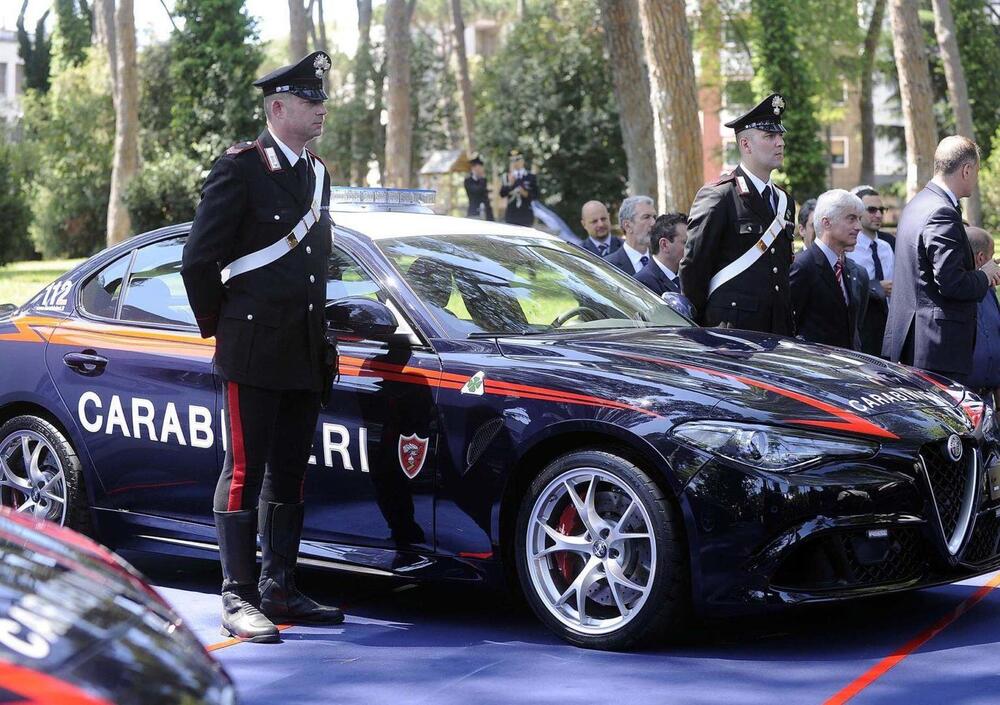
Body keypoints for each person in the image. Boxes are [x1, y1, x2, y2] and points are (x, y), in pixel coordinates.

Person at [181, 51, 344, 644]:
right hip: (251, 347)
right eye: (310, 101)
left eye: (321, 100)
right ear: (278, 107)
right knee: (244, 471)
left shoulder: (317, 173)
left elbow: (313, 266)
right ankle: (237, 596)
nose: (321, 109)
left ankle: (280, 586)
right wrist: (223, 327)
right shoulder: (241, 169)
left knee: (290, 474)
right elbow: (199, 258)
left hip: (302, 348)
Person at [883, 136, 1000, 382]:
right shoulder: (941, 211)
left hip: (919, 343)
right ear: (967, 170)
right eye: (977, 172)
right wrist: (985, 275)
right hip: (936, 349)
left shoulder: (918, 203)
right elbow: (951, 282)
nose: (976, 179)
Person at [680, 93, 796, 334]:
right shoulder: (720, 196)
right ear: (745, 144)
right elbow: (694, 267)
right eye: (770, 136)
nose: (780, 143)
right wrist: (704, 326)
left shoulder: (784, 201)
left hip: (778, 329)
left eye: (780, 136)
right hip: (732, 330)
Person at [789, 190, 870, 350]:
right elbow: (787, 327)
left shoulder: (848, 269)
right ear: (827, 223)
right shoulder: (802, 266)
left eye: (859, 219)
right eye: (851, 218)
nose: (859, 227)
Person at [846, 185, 895, 356]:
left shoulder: (886, 247)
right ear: (858, 213)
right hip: (861, 329)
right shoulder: (849, 247)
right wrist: (876, 287)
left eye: (882, 209)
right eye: (872, 210)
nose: (879, 215)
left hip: (888, 329)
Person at [964, 227, 1000, 406]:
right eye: (993, 258)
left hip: (990, 399)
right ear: (980, 258)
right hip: (964, 399)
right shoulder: (955, 295)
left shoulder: (990, 293)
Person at [636, 212, 687, 296]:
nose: (691, 248)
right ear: (664, 245)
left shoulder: (688, 277)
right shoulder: (642, 284)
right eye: (686, 242)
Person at [605, 195, 655, 276]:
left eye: (654, 217)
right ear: (627, 226)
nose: (653, 223)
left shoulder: (661, 262)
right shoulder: (609, 266)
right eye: (646, 217)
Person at [499, 149, 538, 226]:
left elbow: (536, 195)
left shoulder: (530, 176)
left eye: (517, 160)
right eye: (512, 161)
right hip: (511, 216)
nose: (515, 163)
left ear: (522, 161)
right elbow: (502, 194)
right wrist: (510, 184)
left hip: (526, 215)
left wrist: (525, 193)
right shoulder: (506, 176)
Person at [463, 154, 494, 220]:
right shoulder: (468, 181)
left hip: (487, 213)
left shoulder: (483, 180)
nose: (482, 169)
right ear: (474, 168)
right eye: (480, 167)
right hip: (474, 212)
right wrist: (482, 179)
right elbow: (477, 191)